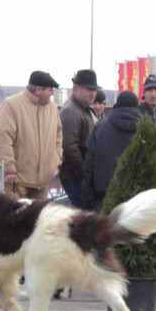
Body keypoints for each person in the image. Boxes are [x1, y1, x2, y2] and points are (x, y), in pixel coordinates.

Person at [0, 70, 63, 200]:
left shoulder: (52, 108)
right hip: (17, 180)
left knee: (38, 220)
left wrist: (55, 160)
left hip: (43, 183)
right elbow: (2, 140)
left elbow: (58, 136)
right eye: (50, 90)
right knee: (15, 219)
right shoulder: (11, 105)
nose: (52, 93)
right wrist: (9, 169)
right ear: (38, 90)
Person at [83, 90, 141, 211]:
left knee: (105, 229)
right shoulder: (147, 129)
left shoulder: (101, 127)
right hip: (136, 195)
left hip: (105, 193)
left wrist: (89, 195)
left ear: (117, 105)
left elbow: (90, 162)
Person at [59, 69, 100, 208]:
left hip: (79, 175)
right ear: (76, 89)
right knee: (84, 219)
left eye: (94, 89)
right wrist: (84, 175)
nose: (93, 93)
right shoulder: (70, 111)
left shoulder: (82, 109)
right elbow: (70, 148)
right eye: (89, 89)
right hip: (75, 176)